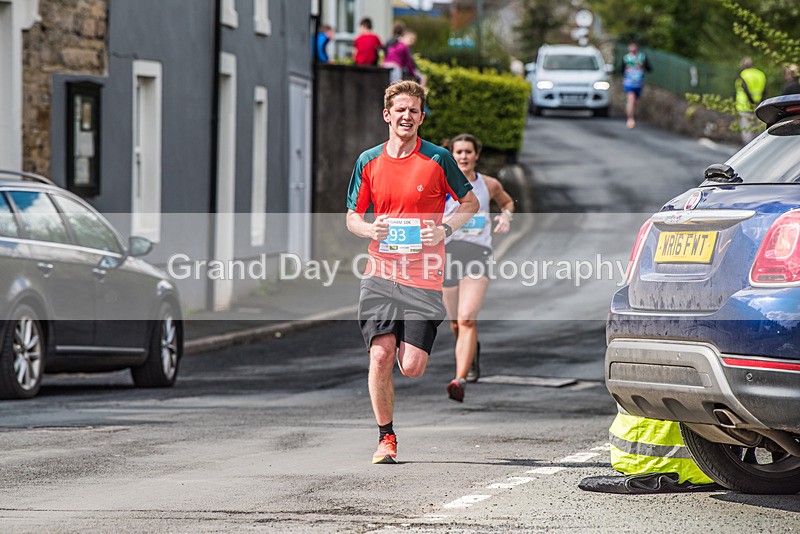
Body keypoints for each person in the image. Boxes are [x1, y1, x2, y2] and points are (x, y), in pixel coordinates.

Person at [346, 81, 479, 464]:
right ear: (387, 115)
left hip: (423, 277)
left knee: (412, 367)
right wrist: (370, 229)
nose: (407, 117)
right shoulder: (368, 161)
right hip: (380, 273)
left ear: (422, 117)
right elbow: (352, 217)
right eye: (400, 110)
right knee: (380, 356)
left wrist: (445, 229)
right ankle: (386, 438)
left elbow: (468, 203)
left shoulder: (437, 159)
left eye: (414, 111)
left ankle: (411, 340)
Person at [441, 134, 515, 402]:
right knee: (454, 323)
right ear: (452, 154)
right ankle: (471, 351)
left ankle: (459, 379)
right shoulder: (441, 183)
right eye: (458, 152)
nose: (463, 156)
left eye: (468, 152)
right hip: (447, 253)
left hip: (478, 253)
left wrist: (505, 217)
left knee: (467, 318)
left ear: (476, 155)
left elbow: (507, 203)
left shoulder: (489, 184)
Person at [619, 41, 652, 129]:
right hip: (629, 82)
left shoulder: (642, 57)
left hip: (638, 83)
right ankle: (630, 119)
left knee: (634, 102)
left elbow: (649, 69)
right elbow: (621, 70)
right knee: (631, 99)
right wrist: (627, 69)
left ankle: (631, 115)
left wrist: (641, 66)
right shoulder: (626, 58)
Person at [735, 57, 766, 145]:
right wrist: (759, 102)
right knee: (757, 130)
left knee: (747, 131)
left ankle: (748, 150)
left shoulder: (743, 74)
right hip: (758, 106)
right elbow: (764, 91)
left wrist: (752, 102)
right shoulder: (760, 74)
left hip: (744, 106)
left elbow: (745, 89)